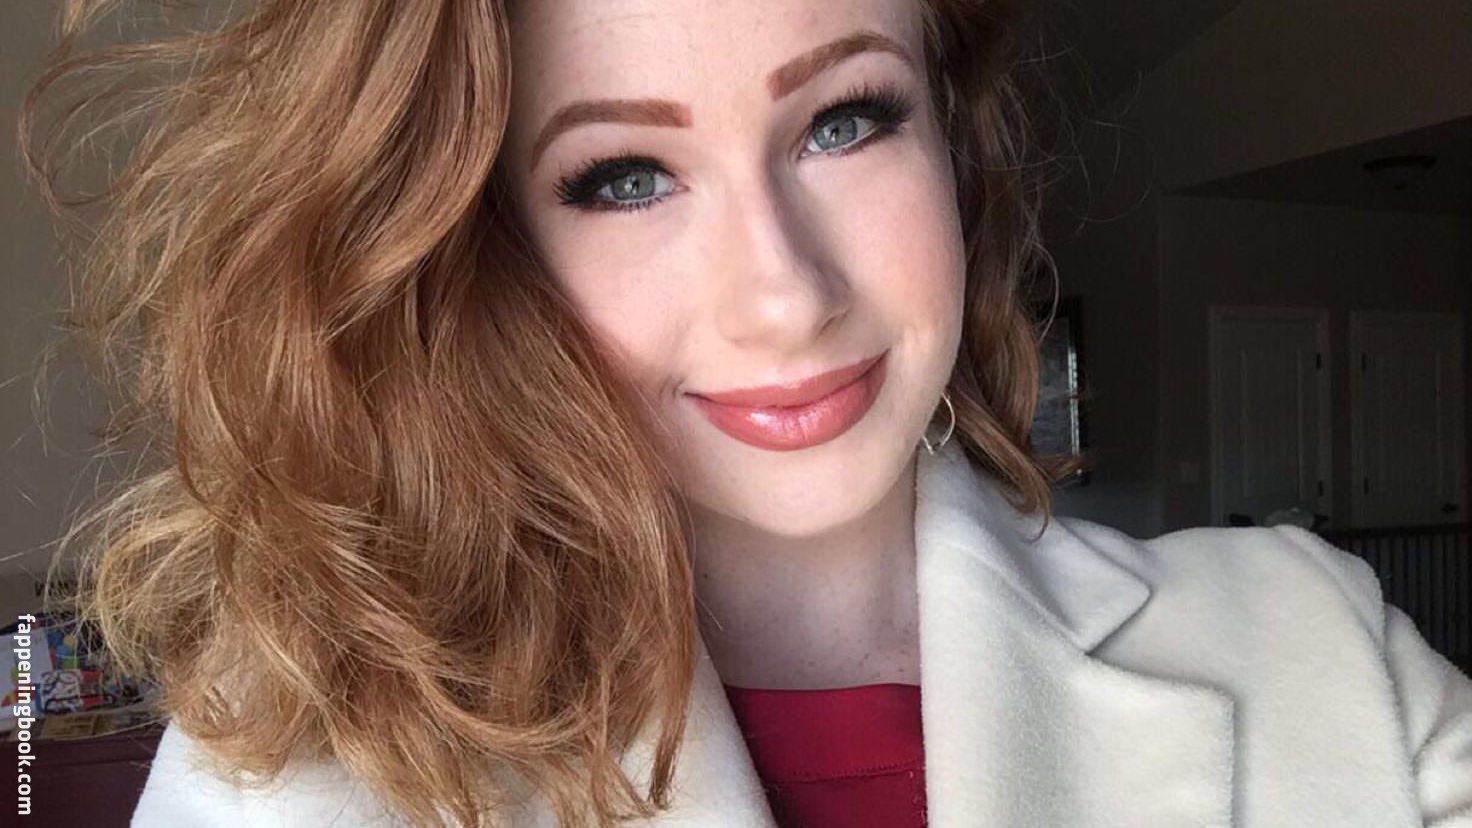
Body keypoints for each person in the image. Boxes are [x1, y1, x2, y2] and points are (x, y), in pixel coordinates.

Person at [17, 0, 1471, 826]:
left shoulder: (1321, 644)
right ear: (485, 254)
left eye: (845, 119)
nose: (785, 297)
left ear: (953, 147)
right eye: (622, 178)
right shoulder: (297, 774)